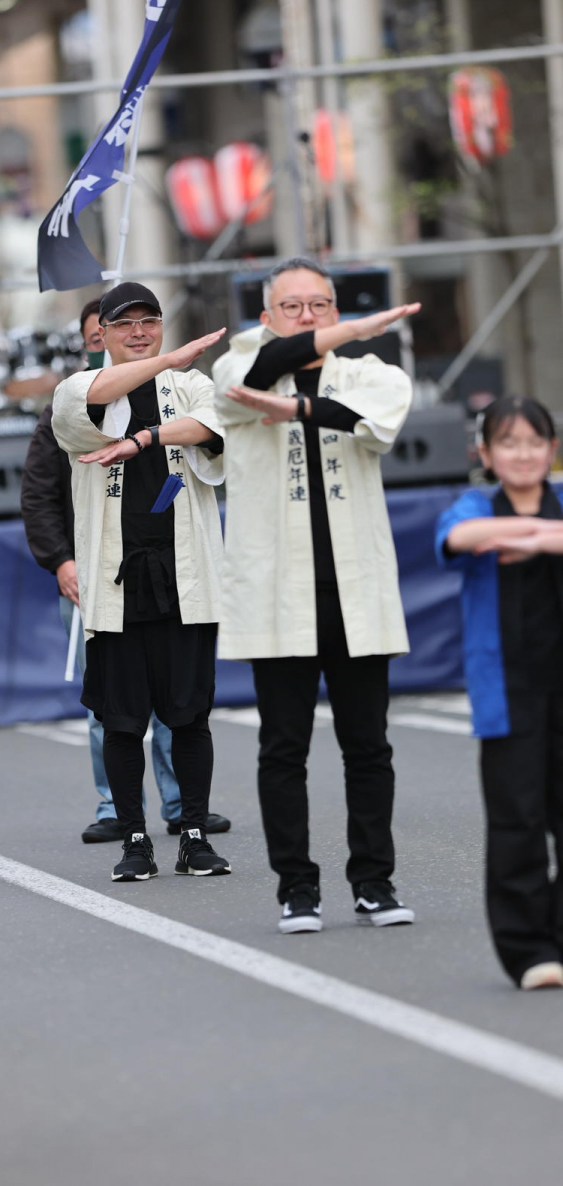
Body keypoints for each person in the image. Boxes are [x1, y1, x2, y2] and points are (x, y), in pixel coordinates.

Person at [212, 256, 419, 933]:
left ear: (338, 311)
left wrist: (299, 406)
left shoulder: (371, 372)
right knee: (283, 747)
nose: (308, 317)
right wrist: (290, 384)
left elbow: (364, 417)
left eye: (322, 305)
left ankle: (374, 882)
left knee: (368, 746)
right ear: (266, 315)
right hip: (279, 593)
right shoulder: (238, 364)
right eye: (292, 306)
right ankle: (295, 888)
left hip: (353, 589)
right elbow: (249, 381)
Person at [22, 300, 230, 844]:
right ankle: (128, 827)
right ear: (101, 334)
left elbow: (211, 426)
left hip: (182, 576)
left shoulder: (190, 385)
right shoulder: (73, 390)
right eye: (124, 324)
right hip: (115, 580)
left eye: (149, 322)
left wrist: (146, 437)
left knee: (188, 714)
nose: (139, 333)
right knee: (120, 717)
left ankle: (191, 826)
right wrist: (59, 560)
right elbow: (80, 416)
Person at [436, 397, 563, 990]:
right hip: (508, 692)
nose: (523, 454)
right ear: (485, 454)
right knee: (517, 821)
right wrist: (542, 532)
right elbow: (462, 536)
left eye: (533, 442)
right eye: (508, 443)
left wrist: (536, 543)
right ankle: (530, 950)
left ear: (551, 449)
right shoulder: (475, 503)